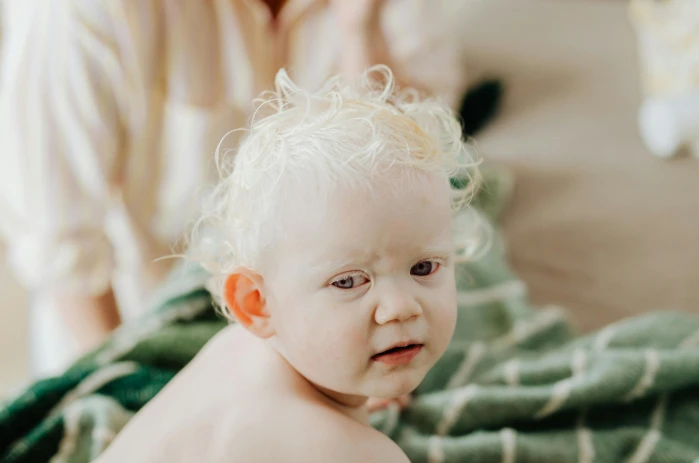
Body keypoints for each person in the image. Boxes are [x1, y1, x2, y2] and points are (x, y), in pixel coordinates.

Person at [0, 67, 651, 463]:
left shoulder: (246, 349)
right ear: (257, 304)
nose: (399, 306)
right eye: (349, 282)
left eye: (424, 267)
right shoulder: (344, 461)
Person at [0, 0, 464, 376]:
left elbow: (416, 169)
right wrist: (126, 387)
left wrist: (360, 30)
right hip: (132, 318)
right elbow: (60, 243)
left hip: (334, 320)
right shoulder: (77, 13)